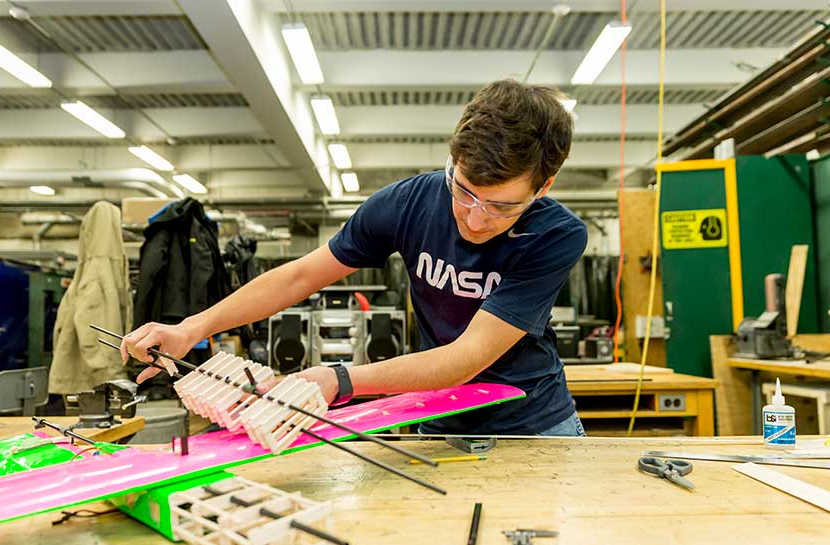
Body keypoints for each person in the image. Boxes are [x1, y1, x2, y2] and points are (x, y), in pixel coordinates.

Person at [121, 79, 588, 437]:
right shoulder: (407, 203)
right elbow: (300, 276)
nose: (475, 217)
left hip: (535, 424)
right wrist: (192, 327)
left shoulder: (555, 236)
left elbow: (465, 359)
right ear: (454, 159)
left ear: (543, 187)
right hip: (437, 415)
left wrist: (339, 379)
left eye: (501, 205)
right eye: (464, 191)